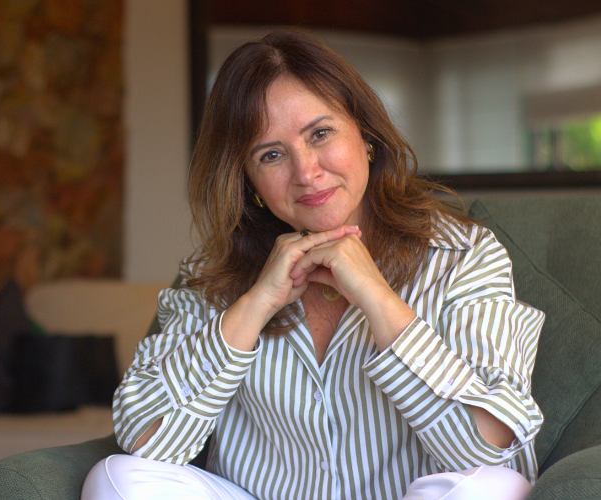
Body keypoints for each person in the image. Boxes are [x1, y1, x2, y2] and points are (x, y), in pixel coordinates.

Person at [82, 28, 544, 500]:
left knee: (494, 489)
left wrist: (377, 298)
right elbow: (147, 441)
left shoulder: (461, 255)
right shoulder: (213, 278)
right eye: (271, 155)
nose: (306, 173)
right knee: (116, 477)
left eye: (320, 134)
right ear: (249, 182)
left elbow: (489, 448)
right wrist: (256, 304)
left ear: (366, 135)